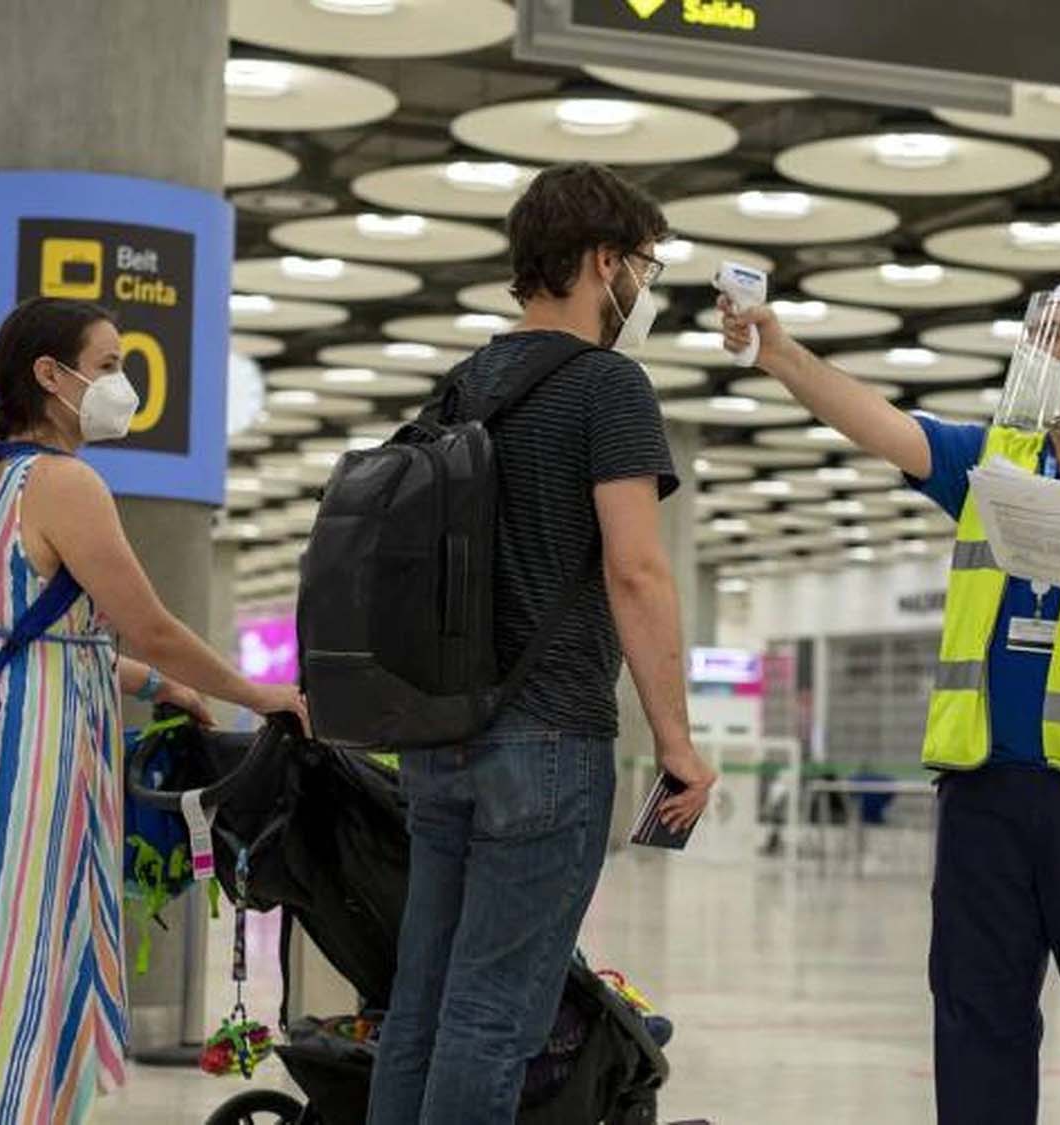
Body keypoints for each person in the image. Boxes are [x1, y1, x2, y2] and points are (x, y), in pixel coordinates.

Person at [720, 268, 1060, 1125]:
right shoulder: (995, 462)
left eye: (1055, 338)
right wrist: (778, 353)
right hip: (984, 796)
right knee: (975, 1029)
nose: (1031, 353)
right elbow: (887, 427)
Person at [368, 162, 717, 1125]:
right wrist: (676, 743)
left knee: (423, 1007)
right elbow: (636, 569)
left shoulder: (461, 386)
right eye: (643, 263)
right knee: (493, 1017)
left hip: (440, 735)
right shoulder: (609, 387)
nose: (645, 285)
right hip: (549, 738)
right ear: (603, 262)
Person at [0, 297, 307, 1124]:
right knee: (23, 957)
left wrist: (157, 686)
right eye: (108, 365)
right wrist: (260, 695)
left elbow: (51, 633)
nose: (122, 382)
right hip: (33, 763)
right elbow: (148, 622)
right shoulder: (66, 482)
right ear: (50, 375)